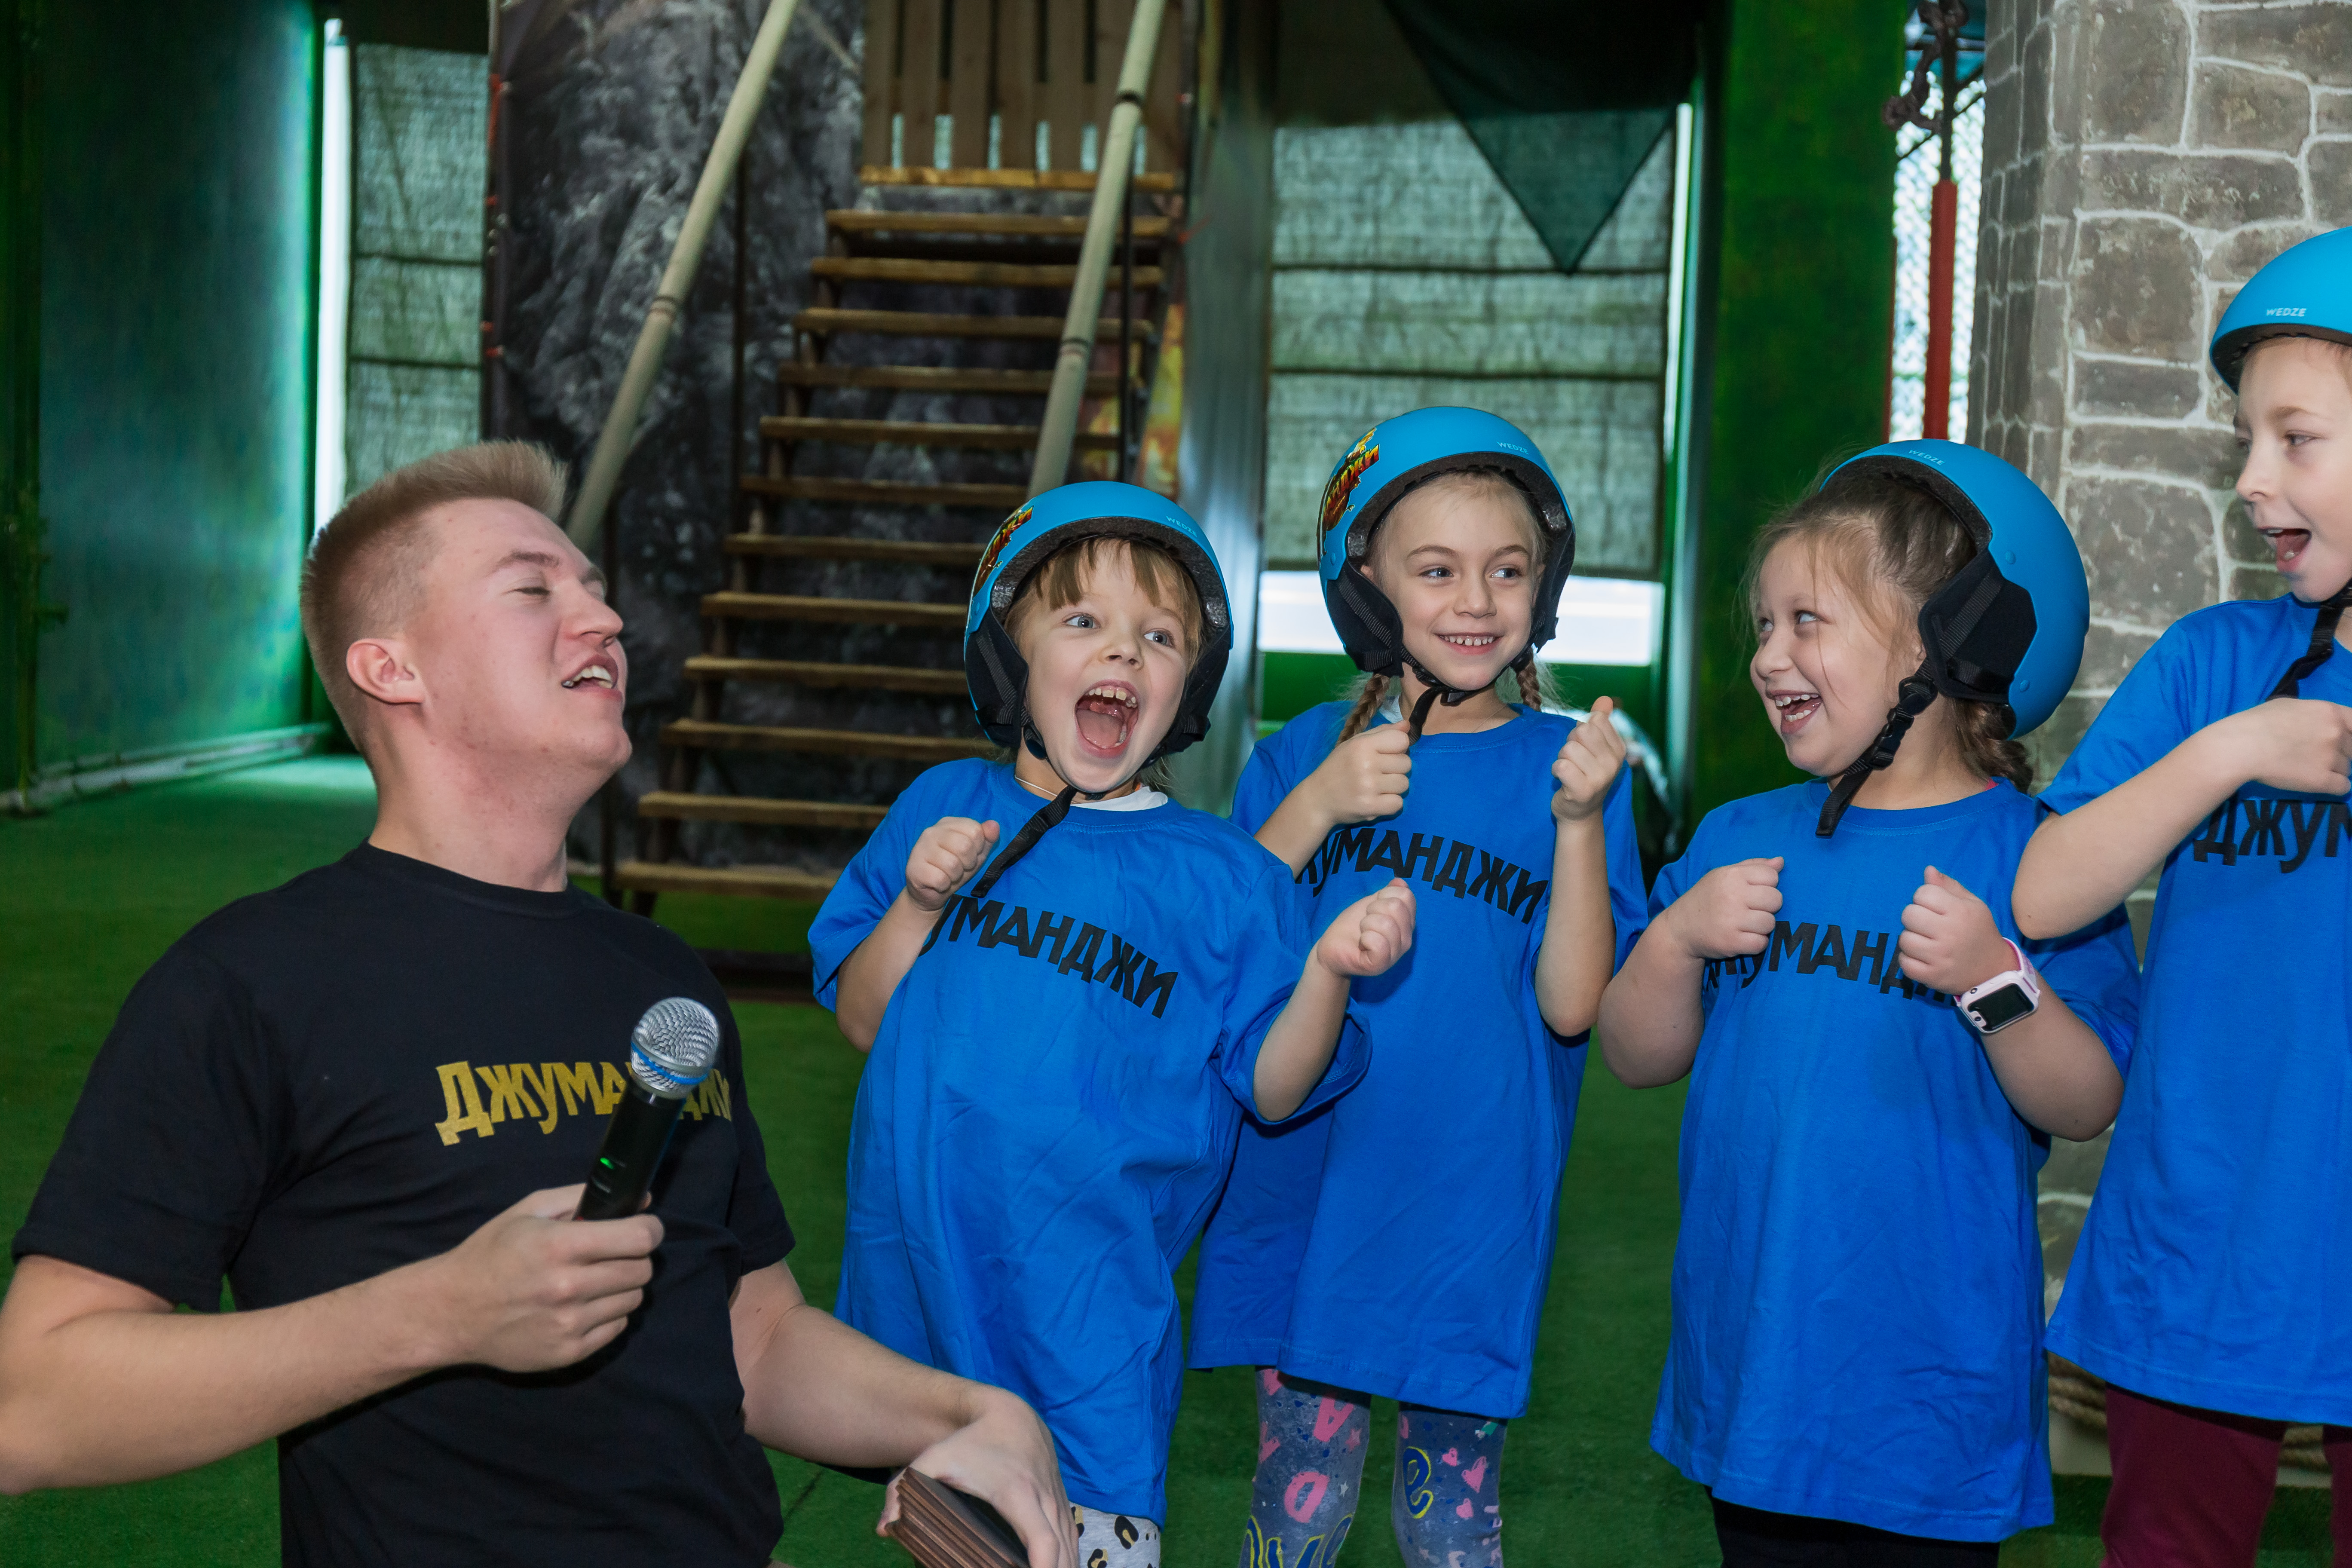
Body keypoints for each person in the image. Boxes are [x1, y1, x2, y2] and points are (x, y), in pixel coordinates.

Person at [0, 443, 1076, 1568]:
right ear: (392, 668)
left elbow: (751, 1336)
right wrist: (442, 1313)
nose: (603, 621)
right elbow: (34, 1404)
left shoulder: (665, 978)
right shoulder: (251, 982)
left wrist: (966, 1413)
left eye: (596, 592)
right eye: (532, 590)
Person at [808, 482, 1416, 1568]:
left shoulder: (1227, 878)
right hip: (921, 1308)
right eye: (1083, 621)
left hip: (1091, 1333)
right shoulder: (944, 805)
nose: (1125, 651)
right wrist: (919, 903)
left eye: (1160, 637)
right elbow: (865, 1018)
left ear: (1186, 689)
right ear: (1010, 659)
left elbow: (1277, 1088)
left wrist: (1326, 972)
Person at [1598, 441, 2140, 1564]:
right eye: (1764, 625)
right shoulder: (1735, 837)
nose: (1769, 656)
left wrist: (1995, 979)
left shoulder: (2035, 862)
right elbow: (1636, 1055)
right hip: (1757, 1372)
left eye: (1808, 621)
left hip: (1926, 1398)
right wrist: (1676, 939)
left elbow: (2087, 1101)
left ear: (1944, 644)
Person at [1186, 407, 1648, 1568]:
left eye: (1508, 571)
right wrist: (1319, 804)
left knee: (1452, 1531)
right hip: (1306, 1190)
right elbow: (1220, 944)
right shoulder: (1302, 756)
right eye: (1436, 571)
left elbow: (1573, 1007)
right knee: (1297, 1511)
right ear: (1367, 592)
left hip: (1466, 1205)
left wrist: (1579, 822)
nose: (1476, 601)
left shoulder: (1573, 772)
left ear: (1543, 590)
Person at [2012, 227, 2352, 1565]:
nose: (2254, 479)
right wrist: (2232, 752)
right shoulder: (2215, 663)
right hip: (2202, 1236)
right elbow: (2042, 893)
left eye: (2296, 439)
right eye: (2246, 441)